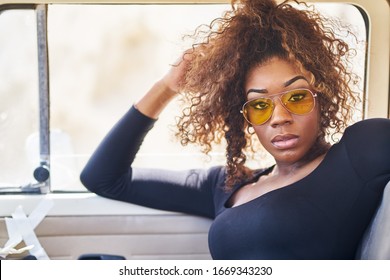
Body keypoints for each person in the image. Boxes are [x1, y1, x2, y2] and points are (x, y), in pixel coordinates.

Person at [80, 0, 390, 259]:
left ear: (321, 99)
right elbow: (104, 178)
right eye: (260, 105)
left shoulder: (359, 154)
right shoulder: (225, 184)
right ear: (246, 117)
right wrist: (166, 88)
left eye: (296, 97)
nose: (279, 117)